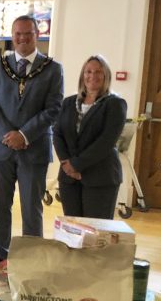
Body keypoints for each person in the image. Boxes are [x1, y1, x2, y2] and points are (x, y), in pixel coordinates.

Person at [0, 15, 63, 274]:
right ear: (12, 35)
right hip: (0, 148)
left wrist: (24, 135)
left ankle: (31, 259)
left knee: (31, 207)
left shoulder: (52, 69)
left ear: (36, 35)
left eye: (27, 33)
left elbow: (53, 108)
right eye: (17, 34)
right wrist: (8, 134)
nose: (22, 38)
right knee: (0, 206)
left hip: (33, 149)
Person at [53, 55, 127, 219]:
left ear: (106, 75)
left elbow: (106, 142)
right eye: (88, 71)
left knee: (96, 234)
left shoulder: (115, 104)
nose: (92, 76)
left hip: (100, 178)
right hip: (69, 178)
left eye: (98, 72)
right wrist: (66, 163)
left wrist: (77, 165)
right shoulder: (68, 103)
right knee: (72, 231)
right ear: (82, 75)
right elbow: (58, 134)